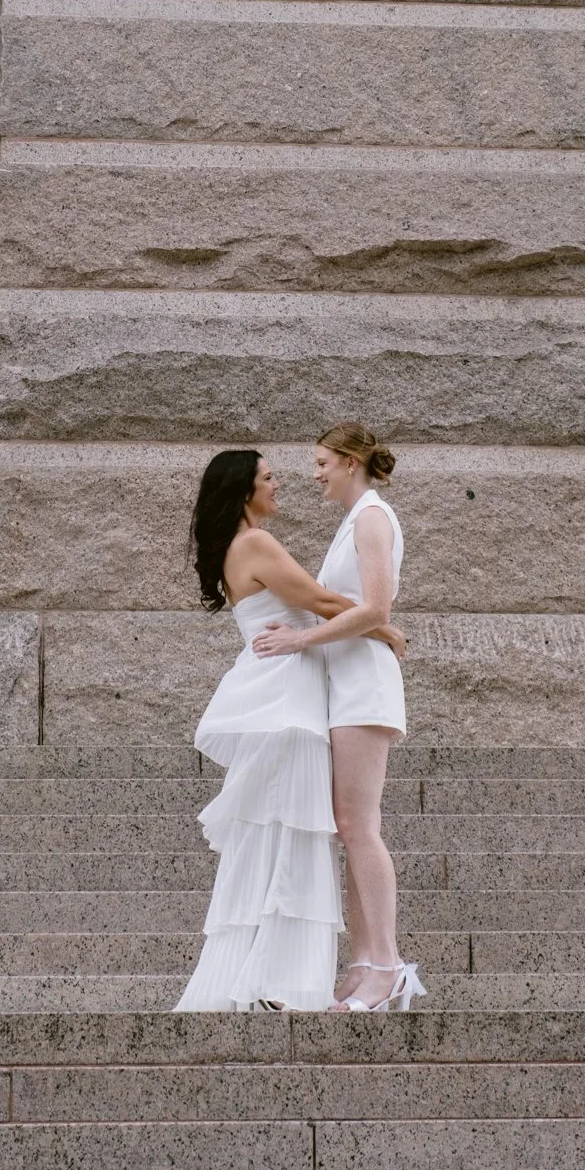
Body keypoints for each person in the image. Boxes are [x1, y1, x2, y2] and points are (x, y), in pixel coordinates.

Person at [175, 448, 407, 1013]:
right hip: (286, 702)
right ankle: (279, 980)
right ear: (242, 491)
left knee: (284, 830)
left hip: (284, 696)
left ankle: (270, 976)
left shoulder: (241, 544)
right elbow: (321, 601)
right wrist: (384, 631)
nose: (280, 485)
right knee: (292, 831)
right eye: (269, 478)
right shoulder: (254, 543)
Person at [252, 422, 423, 1014]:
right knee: (350, 827)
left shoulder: (373, 517)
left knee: (360, 826)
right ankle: (364, 965)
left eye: (323, 462)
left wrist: (301, 640)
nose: (316, 473)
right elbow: (354, 610)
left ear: (352, 461)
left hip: (363, 687)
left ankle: (388, 968)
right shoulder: (355, 522)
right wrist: (302, 632)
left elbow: (376, 606)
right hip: (345, 685)